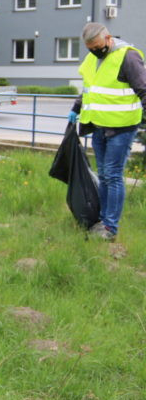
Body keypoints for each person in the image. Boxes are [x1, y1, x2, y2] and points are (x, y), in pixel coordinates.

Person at [68, 22, 146, 240]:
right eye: (90, 48)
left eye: (97, 46)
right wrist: (76, 108)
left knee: (112, 175)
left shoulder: (128, 57)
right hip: (99, 126)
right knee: (103, 175)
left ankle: (110, 228)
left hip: (122, 128)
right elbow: (89, 88)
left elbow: (144, 90)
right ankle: (102, 220)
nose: (94, 51)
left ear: (108, 38)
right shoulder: (93, 58)